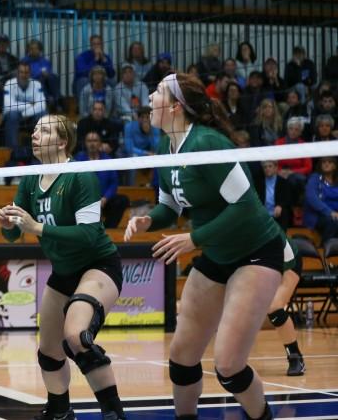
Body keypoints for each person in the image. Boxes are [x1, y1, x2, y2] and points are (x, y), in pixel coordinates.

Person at [124, 72, 284, 420]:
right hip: (217, 253)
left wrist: (193, 239)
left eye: (157, 92)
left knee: (227, 364)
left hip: (255, 251)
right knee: (182, 357)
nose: (150, 97)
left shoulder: (207, 144)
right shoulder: (168, 149)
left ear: (176, 106)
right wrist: (149, 219)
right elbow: (171, 206)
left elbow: (245, 207)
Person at [0, 114, 127, 420]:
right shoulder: (31, 177)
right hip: (64, 273)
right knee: (49, 352)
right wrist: (7, 224)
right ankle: (59, 411)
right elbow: (15, 233)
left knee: (77, 337)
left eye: (44, 130)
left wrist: (37, 227)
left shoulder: (81, 175)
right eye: (35, 130)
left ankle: (113, 413)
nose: (34, 135)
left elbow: (88, 234)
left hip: (98, 265)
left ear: (63, 141)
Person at [264, 228, 306, 376]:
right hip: (259, 266)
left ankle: (295, 357)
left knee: (274, 308)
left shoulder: (261, 224)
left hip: (288, 261)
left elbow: (287, 258)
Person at [74, 132, 127, 229]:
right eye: (89, 141)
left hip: (104, 201)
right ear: (85, 143)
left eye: (95, 140)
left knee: (122, 200)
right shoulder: (78, 159)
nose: (92, 144)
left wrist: (105, 198)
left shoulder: (107, 160)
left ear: (100, 143)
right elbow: (74, 182)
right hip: (84, 200)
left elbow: (114, 183)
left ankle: (109, 228)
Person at [1, 61, 47, 152]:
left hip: (30, 116)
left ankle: (41, 149)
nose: (23, 75)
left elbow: (42, 105)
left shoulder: (37, 84)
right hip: (13, 117)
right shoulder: (9, 84)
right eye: (21, 72)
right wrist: (29, 104)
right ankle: (13, 151)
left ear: (30, 73)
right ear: (17, 73)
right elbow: (8, 106)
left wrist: (25, 113)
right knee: (12, 114)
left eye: (26, 72)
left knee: (43, 115)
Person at [303, 156, 338, 241]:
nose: (326, 164)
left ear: (335, 166)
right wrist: (330, 212)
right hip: (319, 215)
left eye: (329, 162)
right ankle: (325, 247)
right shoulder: (315, 178)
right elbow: (311, 198)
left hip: (336, 214)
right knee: (334, 222)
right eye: (324, 162)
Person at [254, 160, 296, 229]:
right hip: (263, 213)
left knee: (284, 211)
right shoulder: (259, 183)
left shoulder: (283, 182)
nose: (267, 169)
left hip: (278, 213)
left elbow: (288, 198)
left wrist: (280, 205)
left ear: (276, 168)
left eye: (270, 166)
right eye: (265, 167)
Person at [24, 39, 60, 105]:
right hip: (31, 81)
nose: (33, 50)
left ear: (40, 50)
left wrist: (47, 74)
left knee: (54, 77)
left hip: (45, 80)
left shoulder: (45, 61)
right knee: (40, 80)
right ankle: (49, 100)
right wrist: (39, 74)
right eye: (31, 48)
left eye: (36, 48)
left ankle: (56, 100)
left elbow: (49, 72)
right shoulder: (24, 61)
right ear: (28, 50)